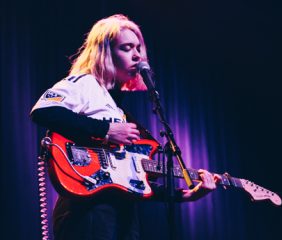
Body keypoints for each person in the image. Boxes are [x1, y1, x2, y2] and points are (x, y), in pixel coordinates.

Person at [31, 14, 220, 240]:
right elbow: (43, 111)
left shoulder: (119, 111)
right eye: (127, 48)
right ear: (105, 52)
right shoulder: (84, 83)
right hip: (87, 210)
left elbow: (132, 181)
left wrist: (187, 196)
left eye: (138, 47)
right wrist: (106, 130)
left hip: (123, 216)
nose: (137, 55)